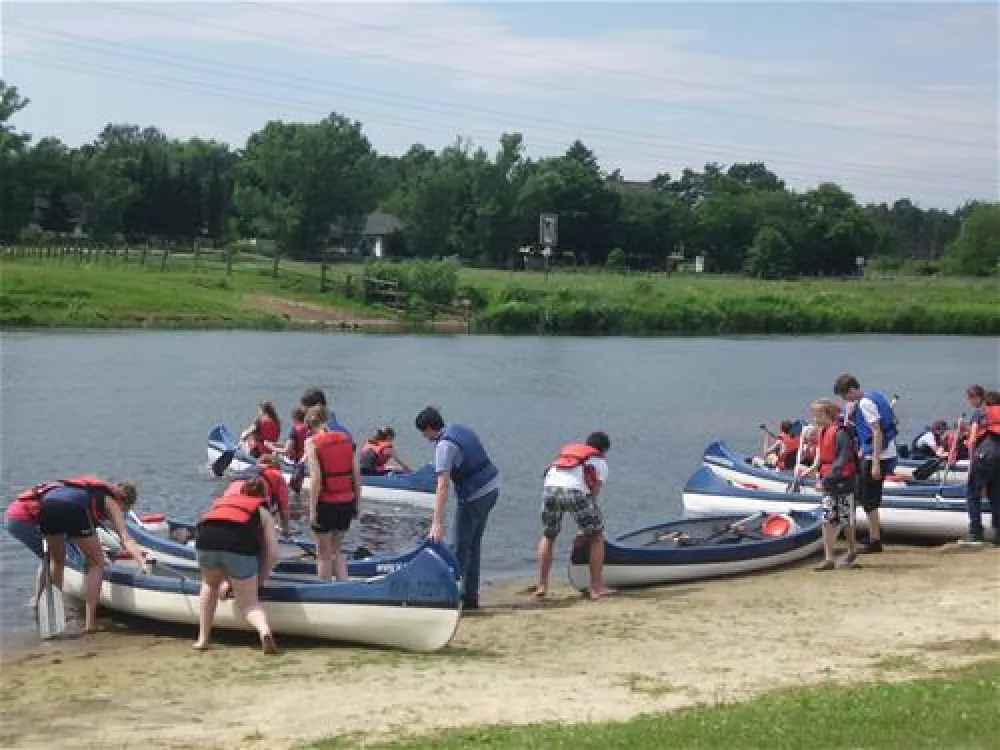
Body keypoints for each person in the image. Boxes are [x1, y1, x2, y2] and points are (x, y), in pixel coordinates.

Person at [6, 476, 147, 632]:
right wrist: (141, 561)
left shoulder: (83, 491)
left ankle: (53, 613)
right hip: (71, 509)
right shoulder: (111, 501)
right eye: (124, 511)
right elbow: (126, 539)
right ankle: (90, 624)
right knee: (97, 563)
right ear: (123, 502)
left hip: (46, 508)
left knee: (57, 560)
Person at [415, 406, 500, 611]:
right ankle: (471, 597)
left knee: (459, 548)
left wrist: (437, 522)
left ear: (428, 429)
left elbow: (443, 486)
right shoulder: (459, 428)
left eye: (423, 433)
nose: (424, 437)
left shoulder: (444, 447)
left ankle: (450, 598)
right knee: (474, 545)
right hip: (492, 488)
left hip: (475, 496)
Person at [193, 476, 279, 653]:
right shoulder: (262, 512)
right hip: (238, 547)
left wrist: (227, 581)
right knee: (248, 603)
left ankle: (202, 639)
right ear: (263, 496)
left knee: (209, 585)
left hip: (205, 541)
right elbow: (272, 552)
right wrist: (261, 579)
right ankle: (264, 631)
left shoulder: (221, 503)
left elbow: (217, 533)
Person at [535, 432, 613, 600]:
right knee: (597, 537)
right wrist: (584, 530)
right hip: (575, 492)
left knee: (549, 535)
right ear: (604, 451)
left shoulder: (568, 457)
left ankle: (542, 585)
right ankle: (596, 588)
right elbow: (592, 495)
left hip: (550, 489)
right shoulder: (600, 462)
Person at [833, 374, 898, 554]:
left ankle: (875, 540)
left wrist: (875, 462)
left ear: (851, 390)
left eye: (844, 396)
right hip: (884, 452)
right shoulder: (876, 395)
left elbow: (876, 432)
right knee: (867, 496)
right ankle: (875, 533)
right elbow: (891, 419)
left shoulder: (864, 403)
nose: (845, 400)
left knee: (869, 499)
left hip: (877, 456)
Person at [305, 404, 362, 581]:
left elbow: (316, 478)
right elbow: (356, 475)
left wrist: (312, 509)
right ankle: (344, 588)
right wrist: (357, 503)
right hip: (346, 501)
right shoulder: (346, 439)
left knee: (323, 553)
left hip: (326, 502)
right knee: (336, 549)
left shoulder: (312, 443)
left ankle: (324, 591)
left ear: (310, 425)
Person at [805, 399, 860, 570]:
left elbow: (841, 460)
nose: (815, 419)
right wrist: (813, 468)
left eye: (818, 415)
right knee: (827, 518)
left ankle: (852, 550)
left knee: (845, 519)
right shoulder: (823, 431)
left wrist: (825, 480)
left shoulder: (840, 433)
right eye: (814, 416)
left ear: (828, 415)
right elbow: (823, 455)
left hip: (843, 481)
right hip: (829, 479)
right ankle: (829, 558)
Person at [963, 385, 999, 545]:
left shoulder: (980, 412)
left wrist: (971, 452)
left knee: (973, 493)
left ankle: (976, 531)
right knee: (997, 495)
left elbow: (972, 439)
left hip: (984, 455)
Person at [224, 456, 291, 537]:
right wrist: (286, 531)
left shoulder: (249, 469)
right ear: (277, 467)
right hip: (252, 493)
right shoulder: (278, 476)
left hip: (228, 497)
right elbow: (284, 510)